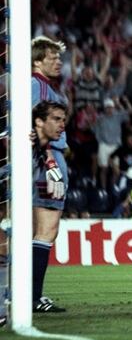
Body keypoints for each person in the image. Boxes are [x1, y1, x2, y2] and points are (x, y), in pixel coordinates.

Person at [31, 36, 69, 313]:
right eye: (52, 57)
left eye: (59, 58)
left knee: (41, 230)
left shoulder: (46, 87)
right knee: (47, 228)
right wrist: (50, 160)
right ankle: (32, 297)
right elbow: (34, 126)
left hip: (48, 159)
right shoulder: (37, 86)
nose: (58, 62)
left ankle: (29, 295)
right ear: (37, 60)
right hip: (47, 163)